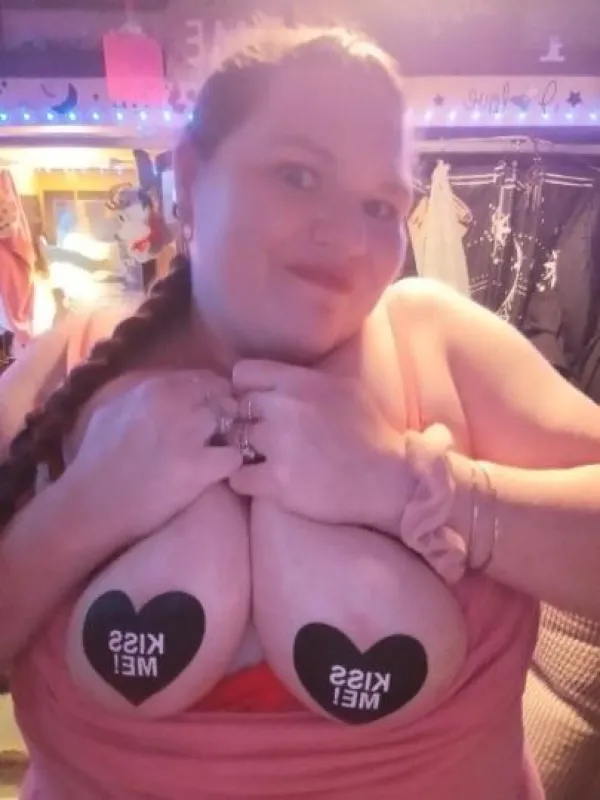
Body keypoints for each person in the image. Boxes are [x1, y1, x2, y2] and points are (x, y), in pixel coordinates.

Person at [0, 23, 599, 800]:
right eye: (298, 175)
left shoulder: (442, 344)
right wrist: (82, 512)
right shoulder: (68, 365)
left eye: (380, 205)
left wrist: (419, 490)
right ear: (190, 178)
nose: (346, 237)